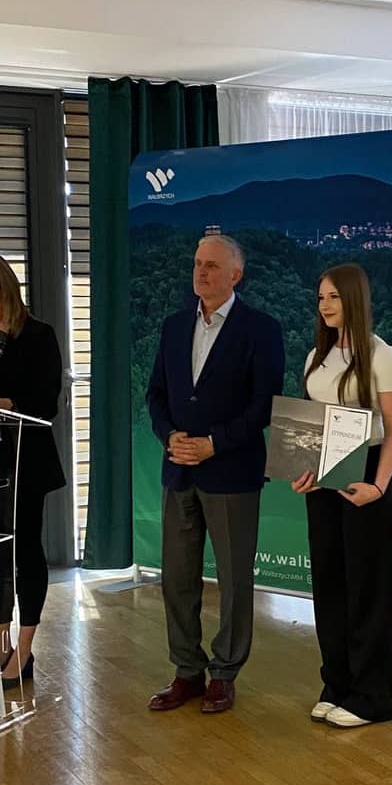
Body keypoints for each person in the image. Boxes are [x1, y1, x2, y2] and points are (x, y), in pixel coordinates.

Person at [147, 234, 284, 714]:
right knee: (176, 578)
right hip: (179, 469)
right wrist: (169, 436)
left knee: (233, 580)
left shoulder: (261, 329)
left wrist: (215, 443)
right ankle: (187, 670)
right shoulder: (173, 326)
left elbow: (264, 404)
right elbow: (156, 394)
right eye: (197, 264)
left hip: (232, 472)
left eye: (211, 265)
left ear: (235, 275)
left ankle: (224, 674)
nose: (200, 272)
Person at [292, 263, 392, 728]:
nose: (325, 305)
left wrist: (378, 485)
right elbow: (310, 425)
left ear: (355, 299)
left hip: (368, 475)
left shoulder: (382, 356)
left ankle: (371, 696)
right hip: (326, 478)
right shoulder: (315, 356)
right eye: (321, 297)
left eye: (334, 297)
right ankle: (336, 684)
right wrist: (304, 471)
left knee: (368, 588)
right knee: (329, 584)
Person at [0, 252, 66, 688]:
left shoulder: (38, 335)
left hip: (23, 459)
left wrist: (7, 403)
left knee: (24, 550)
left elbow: (48, 402)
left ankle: (24, 648)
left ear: (7, 288)